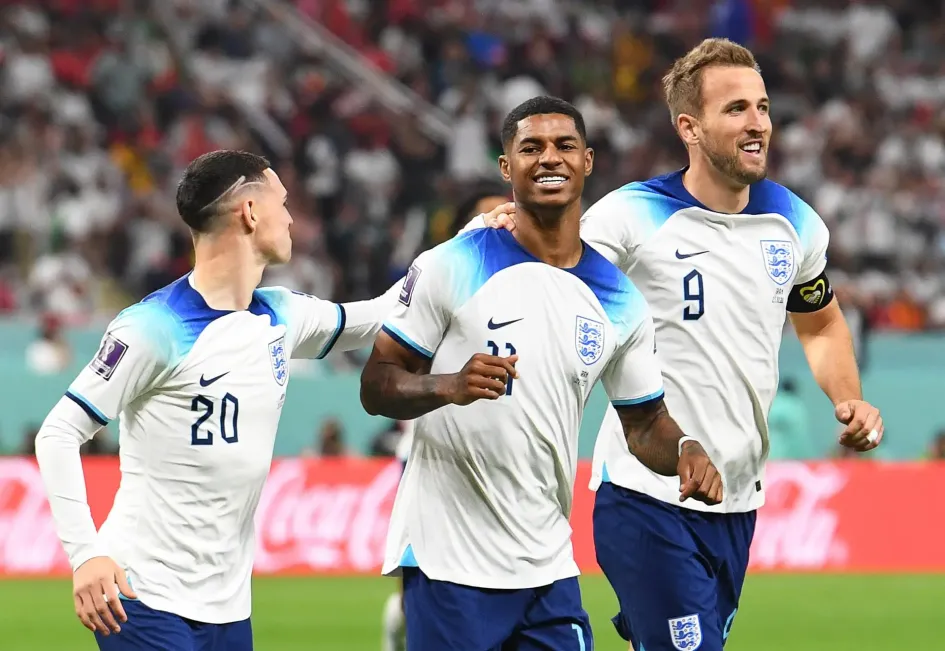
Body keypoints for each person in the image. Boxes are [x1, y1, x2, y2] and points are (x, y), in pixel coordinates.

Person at [478, 39, 884, 651]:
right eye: (737, 109)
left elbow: (820, 322)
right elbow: (550, 266)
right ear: (689, 127)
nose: (758, 124)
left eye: (763, 107)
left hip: (737, 499)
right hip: (645, 495)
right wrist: (508, 230)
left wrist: (849, 397)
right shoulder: (633, 216)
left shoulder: (795, 224)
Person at [360, 96, 723, 651]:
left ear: (588, 161)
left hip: (548, 563)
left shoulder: (620, 299)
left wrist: (685, 450)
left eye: (564, 146)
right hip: (449, 560)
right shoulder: (452, 264)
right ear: (507, 168)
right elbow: (377, 383)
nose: (549, 158)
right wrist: (447, 386)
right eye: (531, 148)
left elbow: (645, 422)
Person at [33, 150, 399, 651]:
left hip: (228, 607)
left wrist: (468, 245)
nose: (292, 217)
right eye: (283, 202)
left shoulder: (281, 316)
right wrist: (85, 555)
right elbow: (58, 433)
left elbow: (385, 314)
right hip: (141, 594)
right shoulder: (152, 327)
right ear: (249, 211)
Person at [381, 182, 512, 651]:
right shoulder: (440, 285)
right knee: (425, 601)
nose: (499, 225)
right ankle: (400, 625)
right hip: (432, 459)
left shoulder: (532, 293)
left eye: (503, 216)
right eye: (484, 219)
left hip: (509, 470)